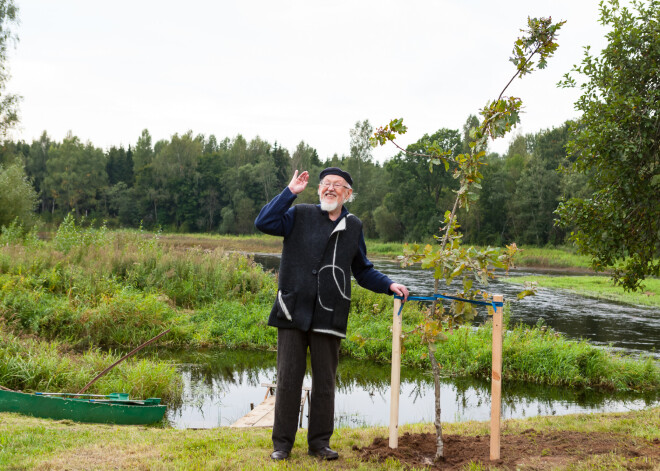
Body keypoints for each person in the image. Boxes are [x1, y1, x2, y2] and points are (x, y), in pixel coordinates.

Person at [254, 167, 409, 461]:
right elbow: (264, 221)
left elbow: (363, 271)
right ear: (318, 189)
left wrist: (389, 284)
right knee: (288, 380)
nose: (330, 189)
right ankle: (282, 445)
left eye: (337, 185)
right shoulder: (298, 214)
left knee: (325, 382)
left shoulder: (354, 226)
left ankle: (319, 444)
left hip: (329, 315)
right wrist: (290, 192)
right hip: (292, 310)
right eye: (326, 184)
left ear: (348, 194)